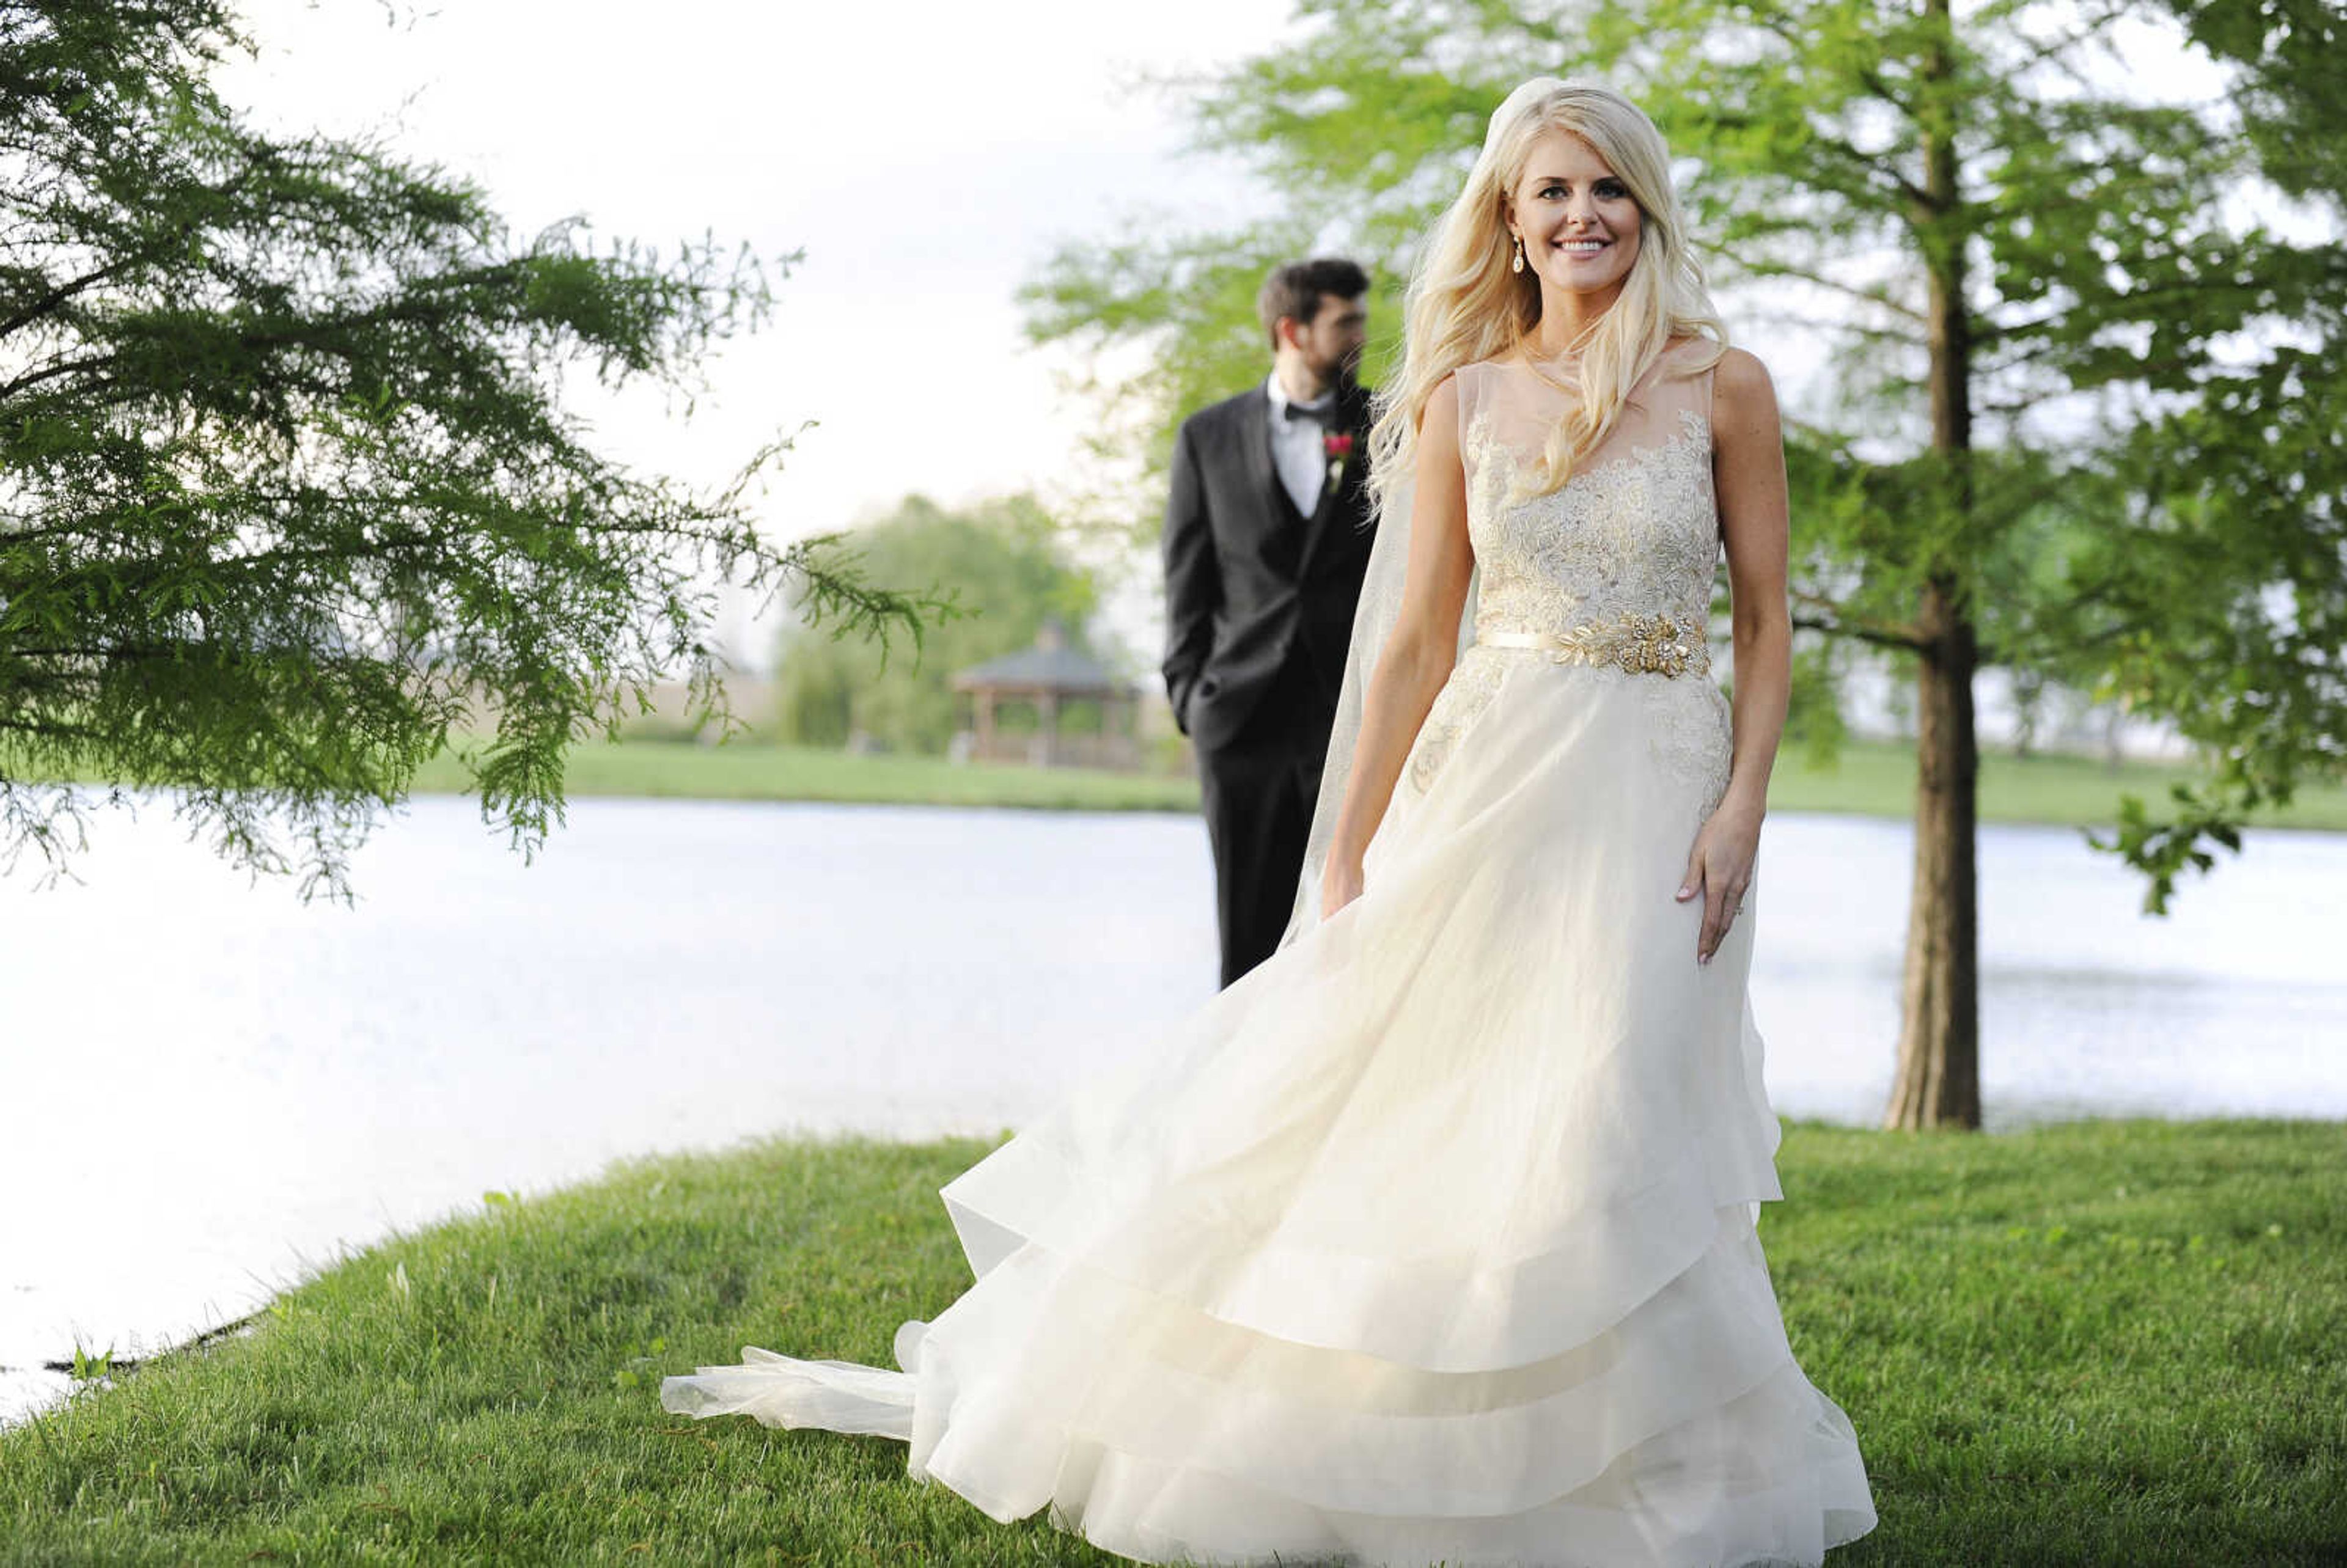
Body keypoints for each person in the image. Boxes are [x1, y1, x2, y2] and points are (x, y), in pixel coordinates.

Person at [664, 77, 1880, 1567]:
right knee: (1469, 1109)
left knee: (1618, 1110)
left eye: (1606, 189)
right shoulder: (1456, 398)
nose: (1581, 217)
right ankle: (1418, 1439)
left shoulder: (1724, 386)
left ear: (1646, 204)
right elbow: (1414, 645)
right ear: (1506, 218)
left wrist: (1741, 806)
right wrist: (1350, 850)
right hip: (1493, 779)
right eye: (1551, 192)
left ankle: (1653, 1466)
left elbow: (1763, 623)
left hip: (1660, 790)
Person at [1162, 256, 1376, 987]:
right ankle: (1238, 1100)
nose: (1361, 334)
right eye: (1345, 321)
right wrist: (1191, 698)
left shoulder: (1390, 426)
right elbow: (1188, 583)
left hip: (1352, 722)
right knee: (1247, 936)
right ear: (1293, 329)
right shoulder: (1207, 437)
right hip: (1241, 725)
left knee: (1346, 931)